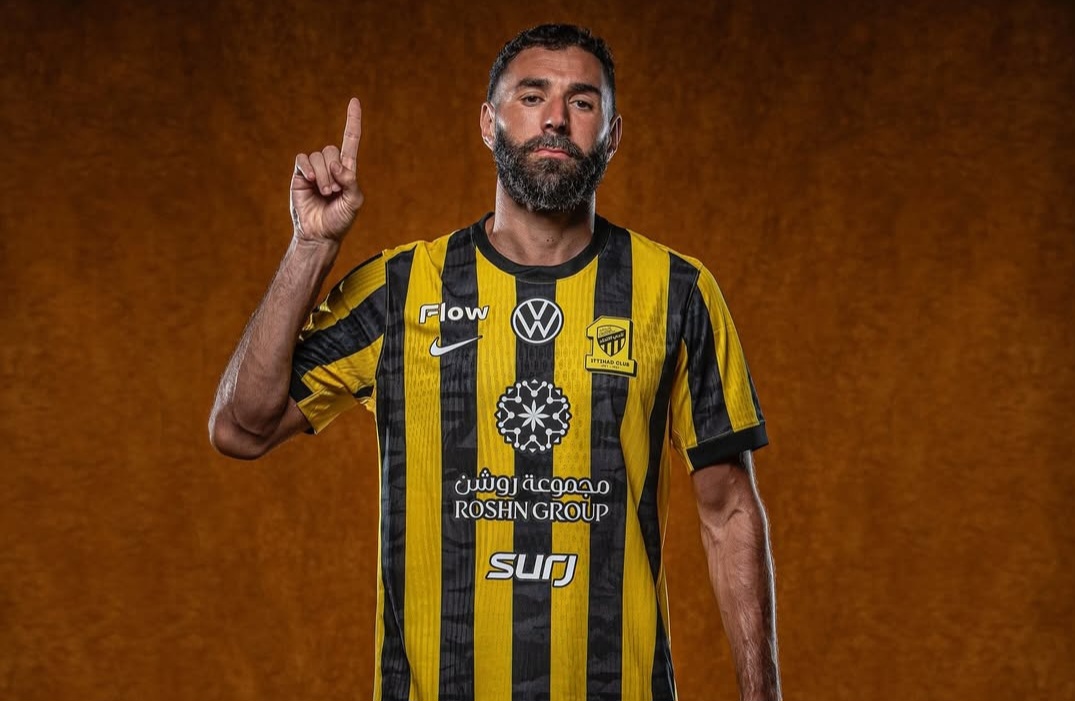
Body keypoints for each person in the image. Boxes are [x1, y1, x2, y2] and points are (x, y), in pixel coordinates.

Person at [210, 23, 781, 701]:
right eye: (531, 96)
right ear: (488, 122)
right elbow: (242, 427)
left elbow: (727, 512)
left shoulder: (677, 291)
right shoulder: (400, 290)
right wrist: (310, 246)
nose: (554, 118)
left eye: (581, 101)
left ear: (612, 134)